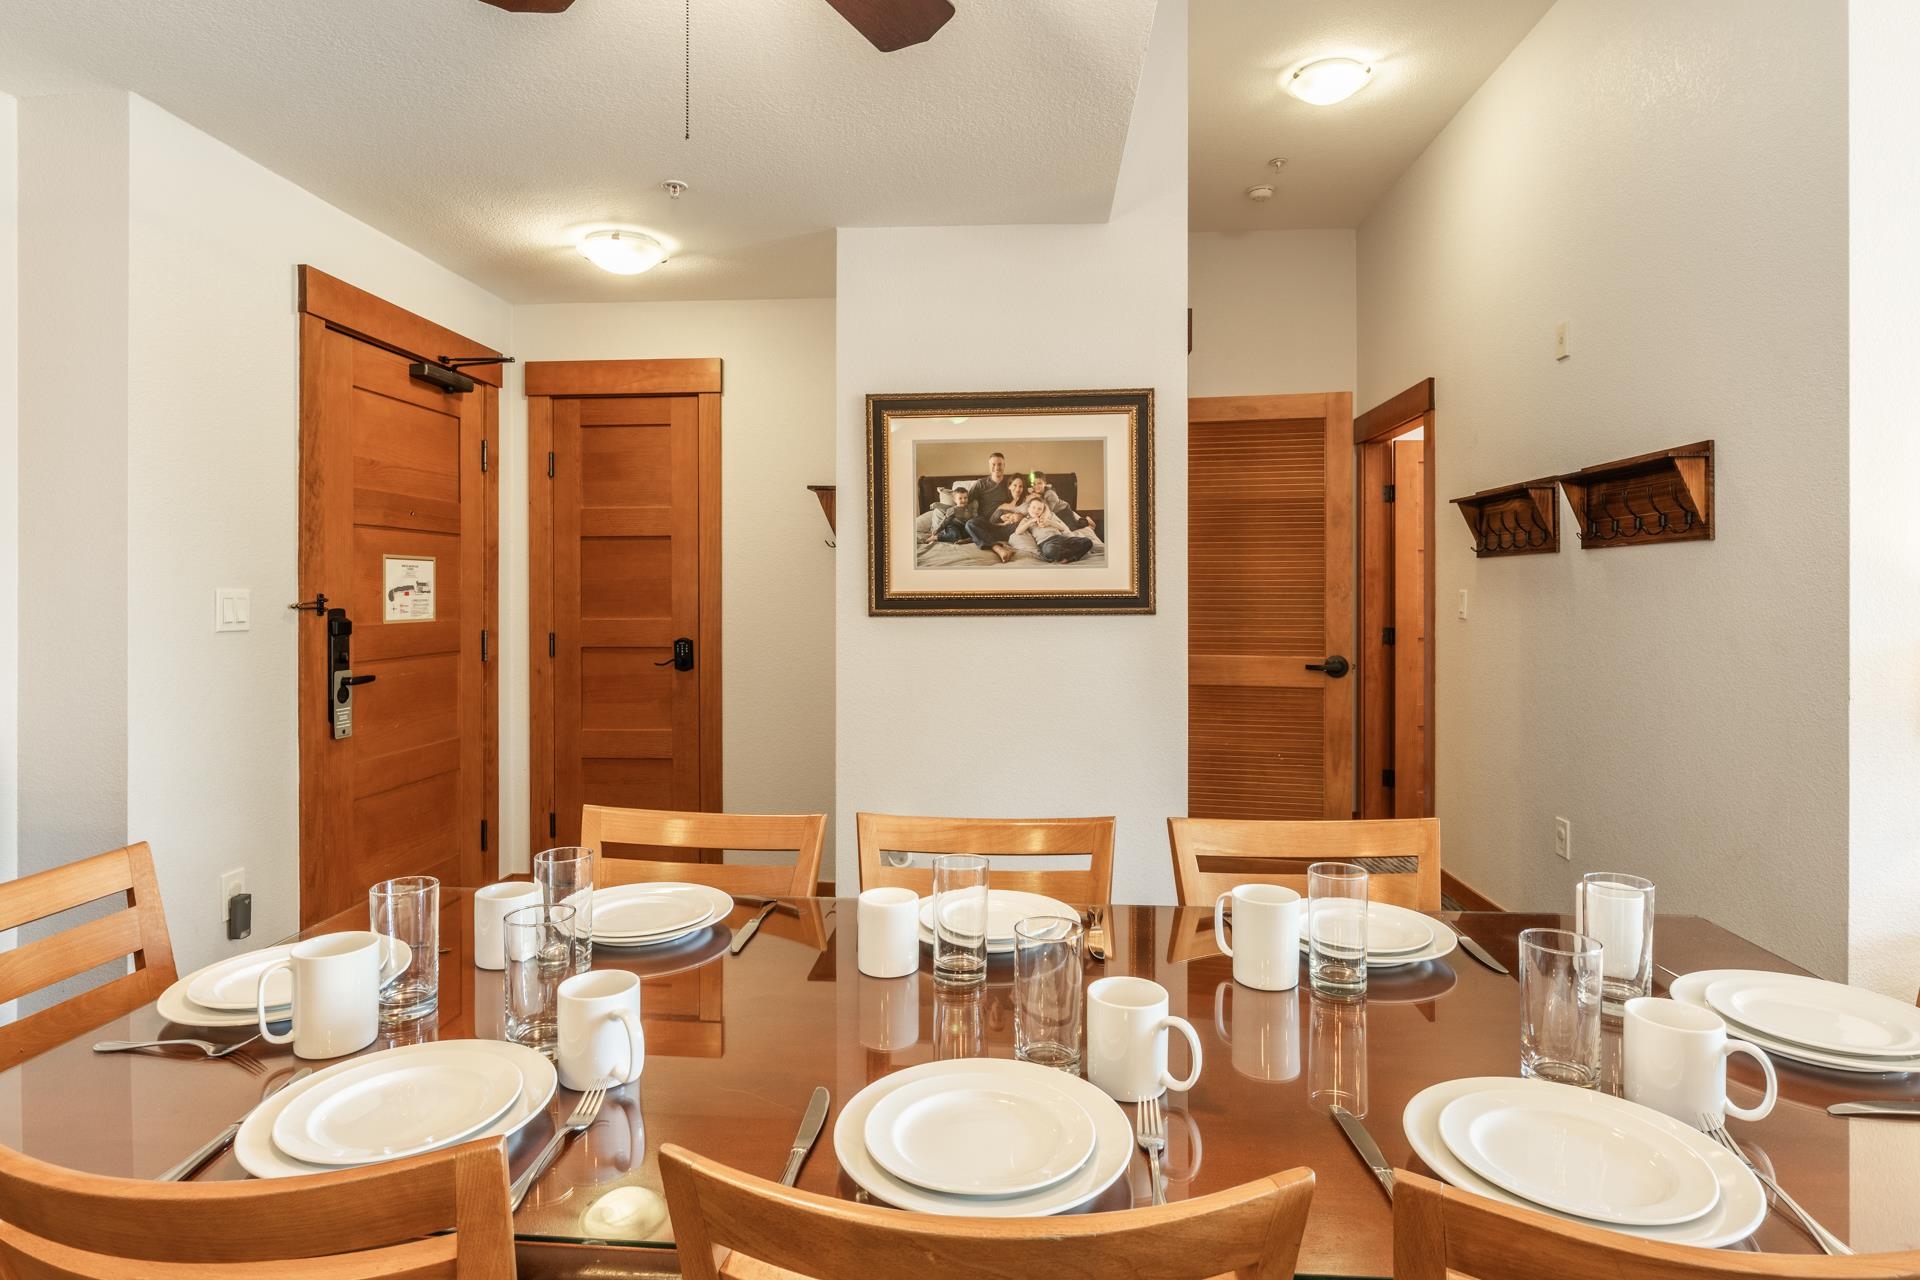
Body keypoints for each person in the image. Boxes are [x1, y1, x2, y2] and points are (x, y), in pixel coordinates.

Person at [963, 452, 1020, 561]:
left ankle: (976, 537)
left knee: (1020, 526)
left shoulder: (1011, 482)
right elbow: (965, 501)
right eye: (993, 464)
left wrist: (1018, 515)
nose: (996, 467)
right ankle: (998, 548)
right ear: (989, 466)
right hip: (986, 523)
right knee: (970, 524)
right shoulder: (980, 483)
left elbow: (1021, 500)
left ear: (1004, 465)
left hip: (1005, 524)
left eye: (999, 464)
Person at [1014, 495, 1096, 563]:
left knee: (1087, 541)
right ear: (1028, 508)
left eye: (1039, 509)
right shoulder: (1026, 520)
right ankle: (1073, 554)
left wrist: (1049, 522)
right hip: (1046, 542)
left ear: (1043, 510)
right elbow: (1018, 531)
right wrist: (1030, 522)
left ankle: (1070, 557)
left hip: (1061, 538)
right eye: (1033, 507)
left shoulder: (1049, 516)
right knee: (1049, 551)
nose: (1036, 510)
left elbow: (1062, 528)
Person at [1028, 470, 1095, 532]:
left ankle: (1086, 521)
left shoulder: (1050, 493)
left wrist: (1038, 497)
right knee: (1061, 527)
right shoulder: (1035, 493)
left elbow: (1048, 509)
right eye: (1034, 484)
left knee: (1071, 528)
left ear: (1045, 483)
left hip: (1063, 510)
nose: (1036, 486)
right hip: (1056, 513)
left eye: (1039, 483)